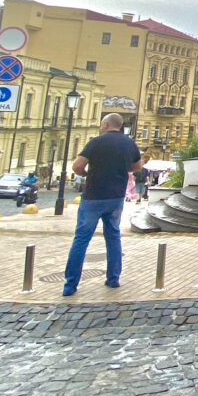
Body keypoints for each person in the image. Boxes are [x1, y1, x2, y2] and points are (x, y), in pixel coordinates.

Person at [63, 113, 142, 296]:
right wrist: (123, 168)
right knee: (113, 236)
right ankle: (113, 278)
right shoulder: (129, 143)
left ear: (106, 124)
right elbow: (138, 167)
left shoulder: (96, 142)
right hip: (116, 197)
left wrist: (85, 173)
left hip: (93, 196)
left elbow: (77, 166)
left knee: (81, 239)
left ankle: (70, 284)